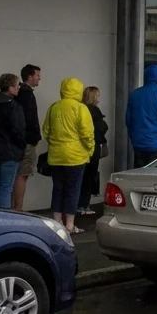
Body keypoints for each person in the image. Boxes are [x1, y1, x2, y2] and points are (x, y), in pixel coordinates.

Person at [42, 77, 94, 234]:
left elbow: (46, 131)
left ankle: (57, 222)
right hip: (76, 157)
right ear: (78, 91)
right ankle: (70, 226)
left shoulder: (54, 107)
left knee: (58, 189)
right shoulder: (81, 108)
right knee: (72, 190)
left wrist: (55, 144)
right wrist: (89, 150)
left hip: (56, 156)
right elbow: (87, 134)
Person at [0, 73, 27, 208]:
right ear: (9, 87)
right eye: (16, 85)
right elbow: (18, 130)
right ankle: (3, 220)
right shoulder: (14, 106)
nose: (19, 87)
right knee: (6, 188)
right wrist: (22, 148)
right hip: (10, 151)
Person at [125, 64, 157, 168]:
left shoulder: (135, 94)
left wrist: (133, 136)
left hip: (138, 143)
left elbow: (128, 120)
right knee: (155, 180)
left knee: (139, 177)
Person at [12, 64, 42, 210]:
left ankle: (16, 208)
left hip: (21, 140)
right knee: (22, 174)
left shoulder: (20, 93)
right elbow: (29, 118)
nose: (39, 78)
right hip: (27, 141)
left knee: (18, 174)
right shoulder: (27, 94)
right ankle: (18, 209)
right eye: (37, 75)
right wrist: (33, 136)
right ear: (29, 77)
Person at [80, 86, 109, 215]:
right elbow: (99, 129)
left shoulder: (80, 108)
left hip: (79, 149)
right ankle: (84, 206)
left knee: (79, 177)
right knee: (89, 176)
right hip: (92, 148)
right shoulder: (94, 110)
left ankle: (77, 205)